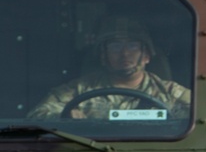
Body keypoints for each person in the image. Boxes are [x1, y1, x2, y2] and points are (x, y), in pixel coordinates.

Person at [27, 17, 190, 121]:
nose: (125, 53)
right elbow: (35, 117)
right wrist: (63, 117)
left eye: (133, 46)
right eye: (115, 46)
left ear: (147, 55)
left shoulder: (170, 93)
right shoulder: (79, 90)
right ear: (103, 57)